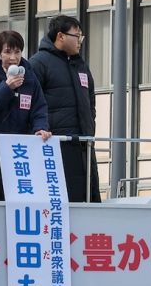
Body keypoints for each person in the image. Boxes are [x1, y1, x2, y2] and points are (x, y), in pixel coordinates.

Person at [28, 14, 98, 202]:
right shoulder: (38, 63)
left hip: (84, 144)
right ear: (60, 36)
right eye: (77, 36)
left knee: (87, 200)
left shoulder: (80, 65)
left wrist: (89, 127)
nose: (80, 41)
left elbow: (91, 102)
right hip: (55, 145)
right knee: (60, 200)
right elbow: (31, 104)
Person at [0, 29, 52, 138]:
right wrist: (6, 87)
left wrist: (41, 128)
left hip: (19, 141)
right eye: (8, 52)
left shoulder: (29, 75)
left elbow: (39, 107)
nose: (13, 57)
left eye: (17, 52)